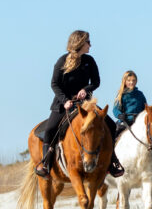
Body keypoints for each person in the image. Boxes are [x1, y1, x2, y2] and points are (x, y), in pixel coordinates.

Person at [34, 30, 124, 178]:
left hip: (85, 103)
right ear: (80, 43)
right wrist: (65, 100)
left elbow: (96, 82)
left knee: (111, 125)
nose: (90, 45)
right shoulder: (62, 61)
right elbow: (54, 84)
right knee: (50, 129)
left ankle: (112, 161)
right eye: (88, 42)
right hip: (64, 103)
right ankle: (45, 164)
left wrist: (85, 89)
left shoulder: (90, 61)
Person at [113, 70, 152, 175]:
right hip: (125, 121)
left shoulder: (140, 94)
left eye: (133, 80)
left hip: (138, 122)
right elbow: (115, 109)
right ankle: (112, 159)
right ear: (125, 81)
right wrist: (119, 115)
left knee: (151, 139)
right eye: (129, 80)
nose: (131, 82)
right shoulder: (121, 94)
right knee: (114, 135)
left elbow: (146, 109)